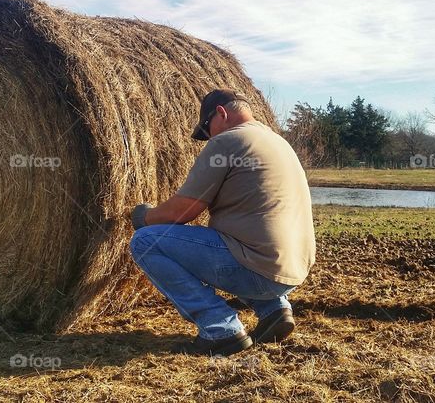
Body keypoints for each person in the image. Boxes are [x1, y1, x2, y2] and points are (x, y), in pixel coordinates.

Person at [128, 89, 315, 356]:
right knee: (239, 240)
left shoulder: (229, 141)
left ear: (221, 113)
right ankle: (274, 310)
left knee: (146, 242)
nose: (208, 139)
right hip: (292, 270)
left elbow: (185, 209)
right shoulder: (275, 140)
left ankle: (220, 329)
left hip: (257, 270)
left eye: (207, 130)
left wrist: (145, 217)